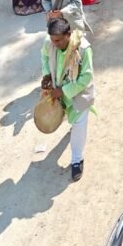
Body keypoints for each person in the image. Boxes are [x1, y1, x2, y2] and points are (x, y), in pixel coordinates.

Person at [41, 17, 95, 182]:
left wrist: (63, 91)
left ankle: (77, 160)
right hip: (58, 90)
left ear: (68, 34)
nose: (55, 44)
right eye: (52, 40)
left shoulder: (83, 49)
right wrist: (46, 74)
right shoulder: (50, 43)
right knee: (69, 120)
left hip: (78, 96)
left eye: (58, 40)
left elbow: (86, 77)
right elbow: (44, 56)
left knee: (78, 126)